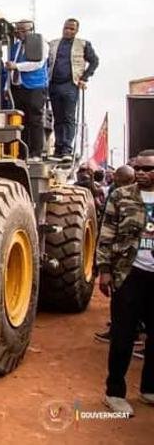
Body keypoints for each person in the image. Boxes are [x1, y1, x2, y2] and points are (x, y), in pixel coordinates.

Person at [96, 149, 154, 415]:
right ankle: (115, 393)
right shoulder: (121, 196)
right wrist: (105, 271)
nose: (141, 173)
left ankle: (149, 388)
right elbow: (106, 233)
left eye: (148, 169)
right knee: (123, 335)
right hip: (127, 274)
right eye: (138, 168)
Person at [47, 19, 100, 161]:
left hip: (71, 84)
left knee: (68, 117)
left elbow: (94, 61)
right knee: (57, 118)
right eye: (66, 28)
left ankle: (67, 149)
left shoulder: (83, 44)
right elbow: (47, 62)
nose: (68, 31)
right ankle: (58, 149)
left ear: (76, 31)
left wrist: (84, 78)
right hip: (54, 84)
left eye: (71, 29)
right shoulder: (53, 44)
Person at [4, 20, 49, 161]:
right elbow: (10, 67)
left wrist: (17, 66)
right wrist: (7, 87)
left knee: (35, 119)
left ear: (32, 30)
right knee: (20, 121)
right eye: (18, 30)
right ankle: (23, 152)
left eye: (23, 30)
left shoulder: (41, 43)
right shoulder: (15, 47)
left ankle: (36, 153)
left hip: (35, 86)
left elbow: (37, 63)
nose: (20, 33)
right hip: (18, 87)